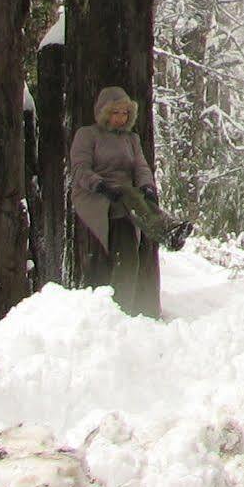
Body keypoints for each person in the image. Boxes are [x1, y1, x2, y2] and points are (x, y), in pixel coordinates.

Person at [69, 85, 192, 316]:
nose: (121, 118)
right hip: (95, 195)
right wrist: (101, 185)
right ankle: (166, 229)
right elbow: (79, 169)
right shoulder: (88, 135)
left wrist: (148, 186)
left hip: (127, 200)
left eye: (125, 113)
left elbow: (141, 167)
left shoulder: (131, 139)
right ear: (105, 113)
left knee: (128, 254)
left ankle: (126, 310)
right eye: (116, 113)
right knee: (128, 195)